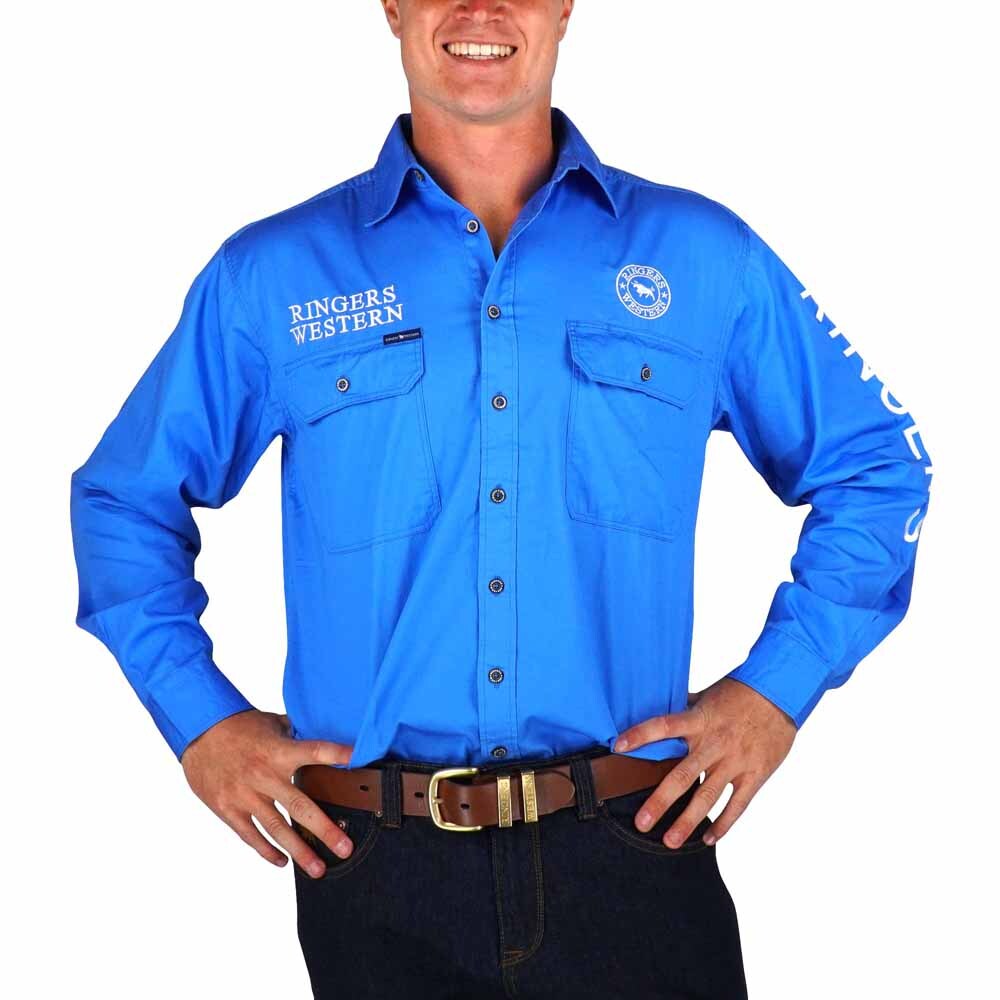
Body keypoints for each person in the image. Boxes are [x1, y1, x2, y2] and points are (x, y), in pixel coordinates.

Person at [69, 1, 933, 997]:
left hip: (636, 845)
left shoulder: (702, 258)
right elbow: (122, 500)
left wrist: (778, 688)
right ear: (392, 5)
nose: (481, 9)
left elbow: (879, 466)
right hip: (375, 871)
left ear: (564, 5)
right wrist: (199, 721)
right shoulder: (271, 276)